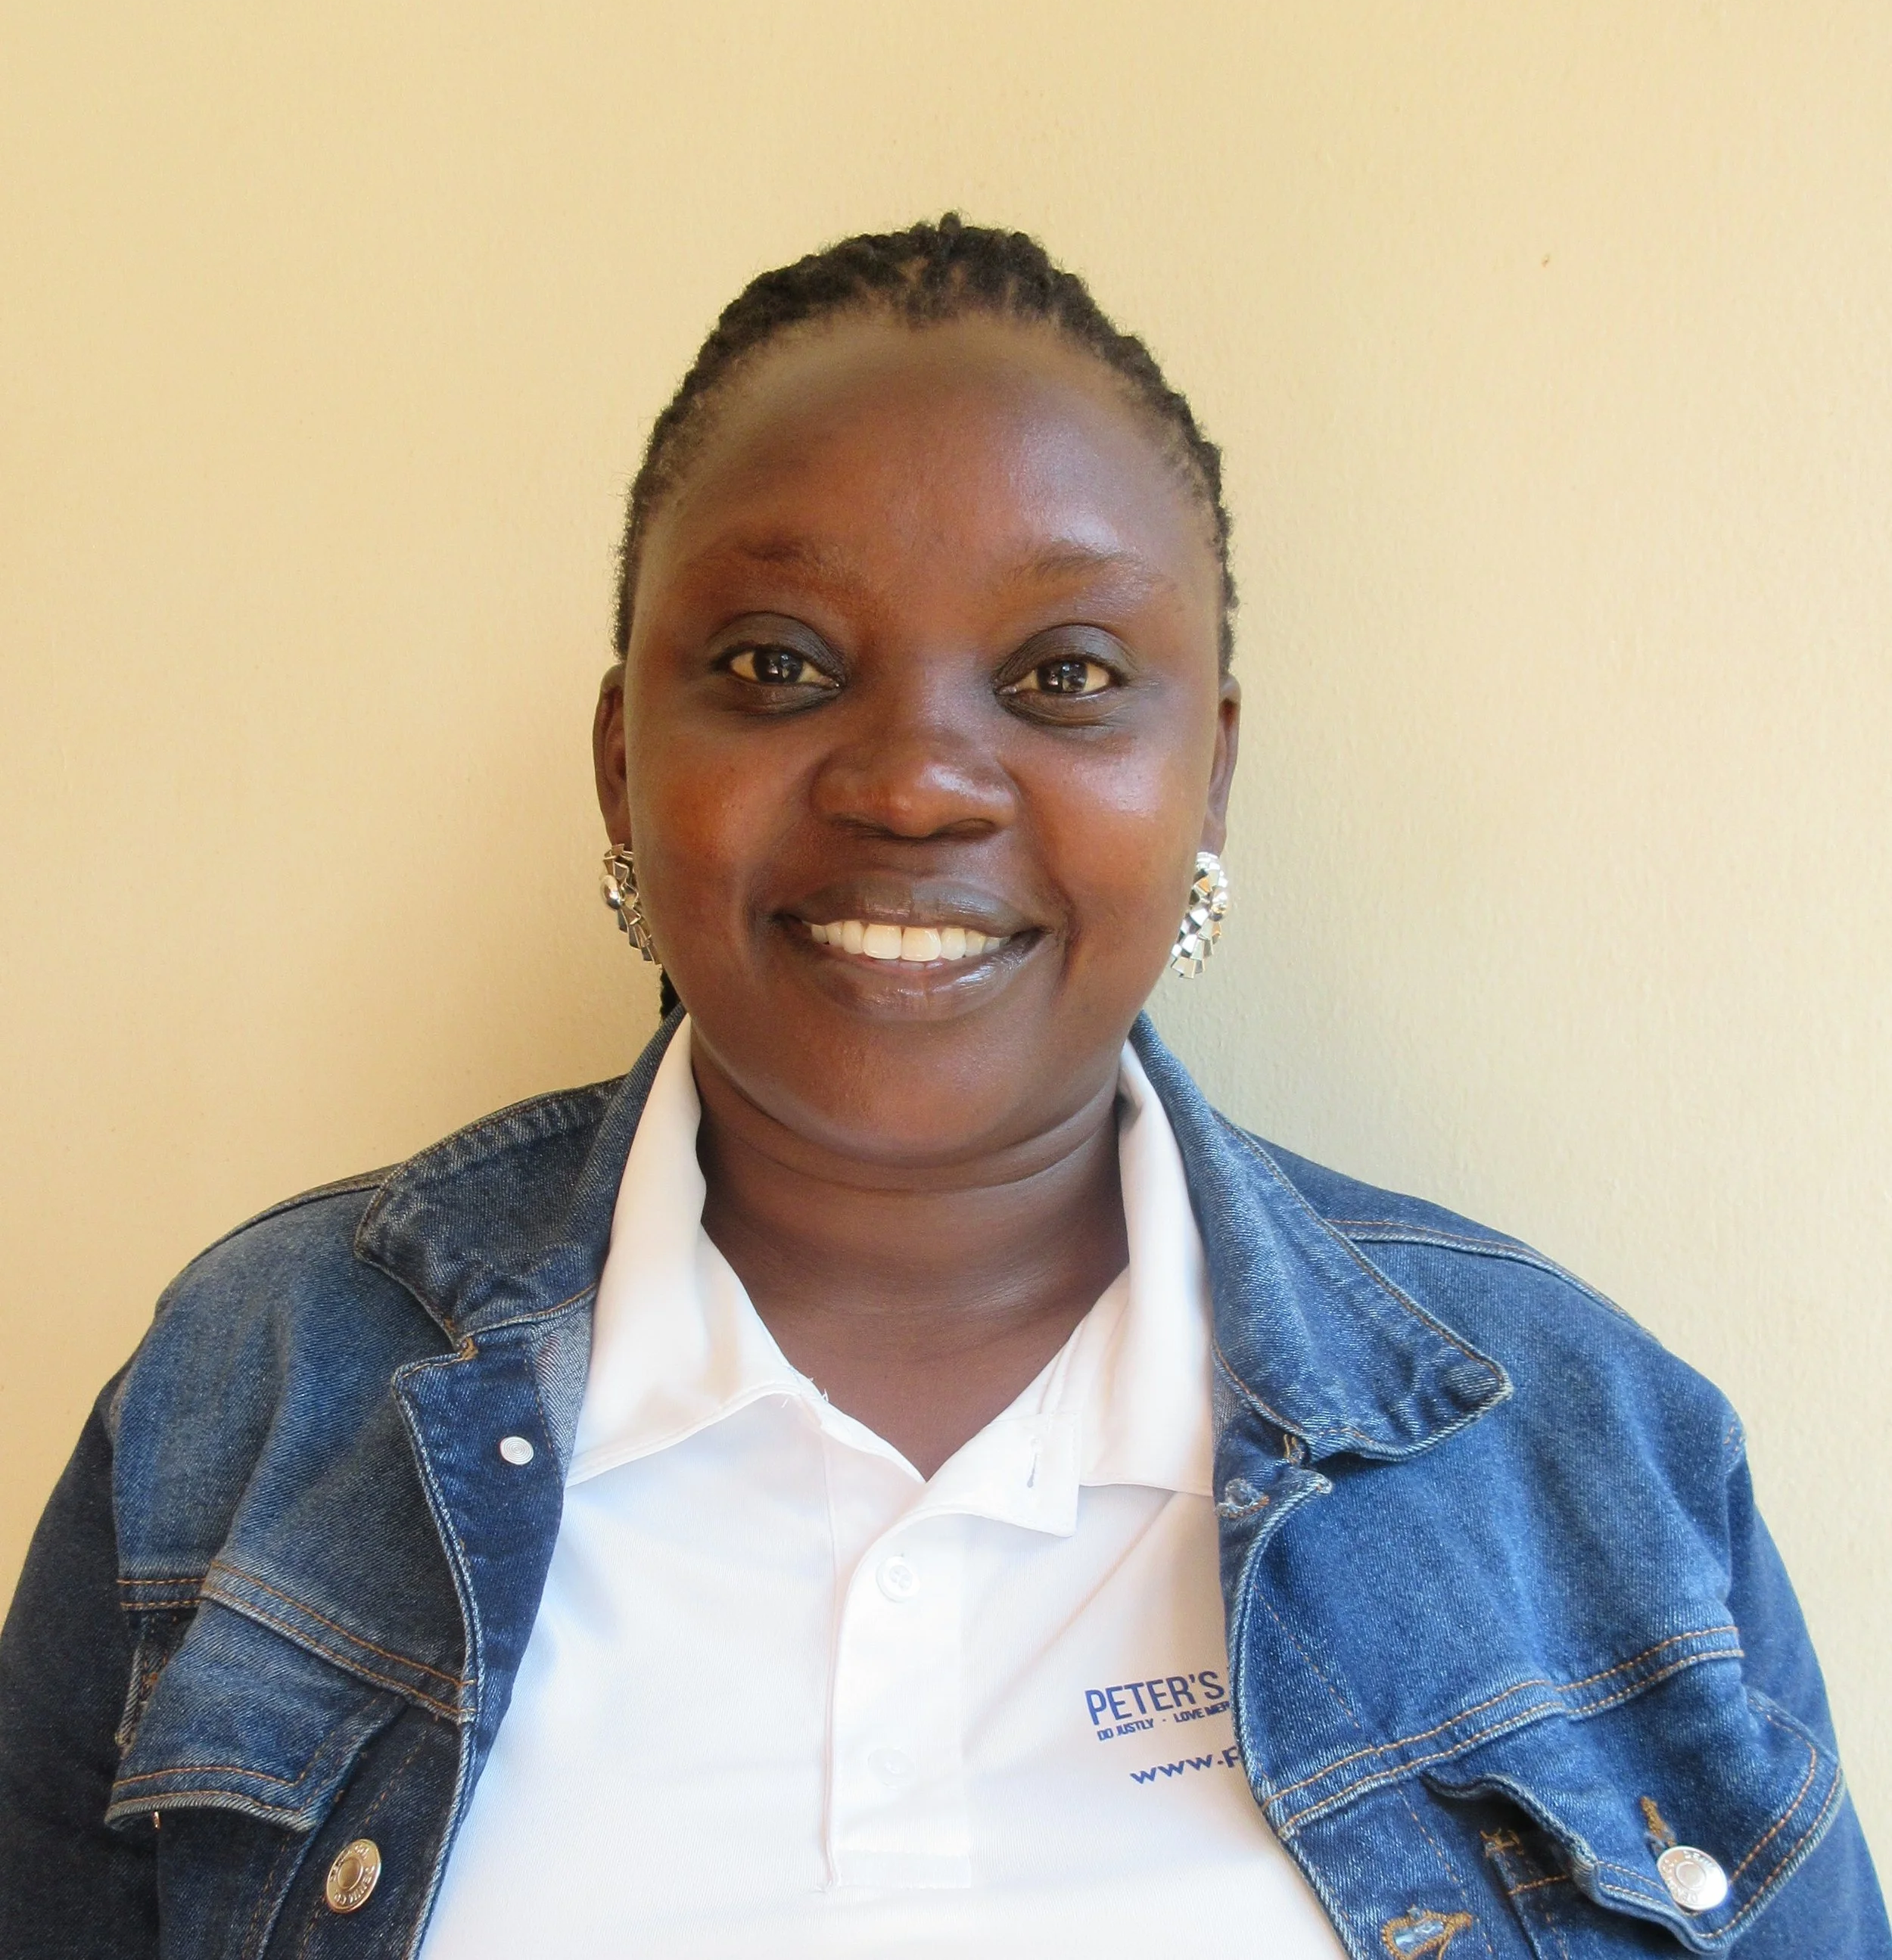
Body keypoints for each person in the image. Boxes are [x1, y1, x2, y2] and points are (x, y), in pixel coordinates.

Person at [0, 216, 1884, 1959]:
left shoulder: (1579, 1453)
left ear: (1206, 780)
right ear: (619, 761)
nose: (915, 782)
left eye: (1062, 676)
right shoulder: (251, 1394)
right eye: (775, 662)